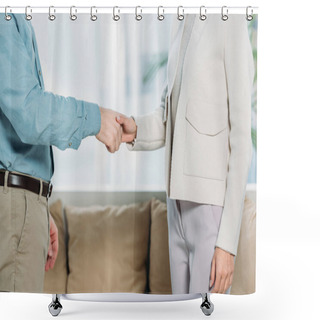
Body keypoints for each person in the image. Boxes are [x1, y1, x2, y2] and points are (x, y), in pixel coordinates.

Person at [117, 14, 254, 294]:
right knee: (180, 312)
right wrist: (135, 128)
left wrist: (226, 243)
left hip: (208, 208)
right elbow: (171, 118)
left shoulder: (230, 18)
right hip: (175, 205)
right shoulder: (181, 22)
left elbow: (241, 139)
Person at [0, 13, 122, 292]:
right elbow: (29, 112)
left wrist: (36, 205)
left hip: (19, 204)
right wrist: (95, 119)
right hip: (13, 209)